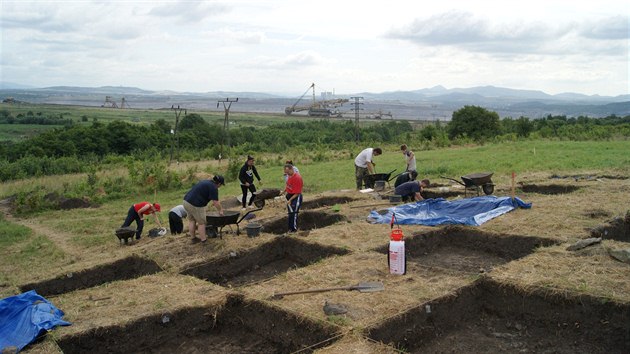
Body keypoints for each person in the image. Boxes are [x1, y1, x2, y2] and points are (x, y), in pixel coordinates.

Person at [183, 175, 225, 243]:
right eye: (221, 185)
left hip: (186, 202)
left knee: (192, 220)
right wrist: (220, 210)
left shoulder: (205, 181)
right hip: (195, 205)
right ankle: (204, 240)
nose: (220, 186)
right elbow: (216, 202)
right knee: (202, 223)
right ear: (219, 183)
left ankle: (193, 239)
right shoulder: (214, 187)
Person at [284, 163, 303, 233]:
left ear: (292, 169)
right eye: (286, 173)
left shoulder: (297, 178)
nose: (287, 174)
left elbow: (297, 193)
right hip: (290, 197)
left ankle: (294, 230)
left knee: (294, 213)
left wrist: (290, 200)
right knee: (290, 213)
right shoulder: (290, 176)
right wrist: (283, 191)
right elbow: (288, 185)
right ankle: (290, 229)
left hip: (296, 197)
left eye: (288, 172)